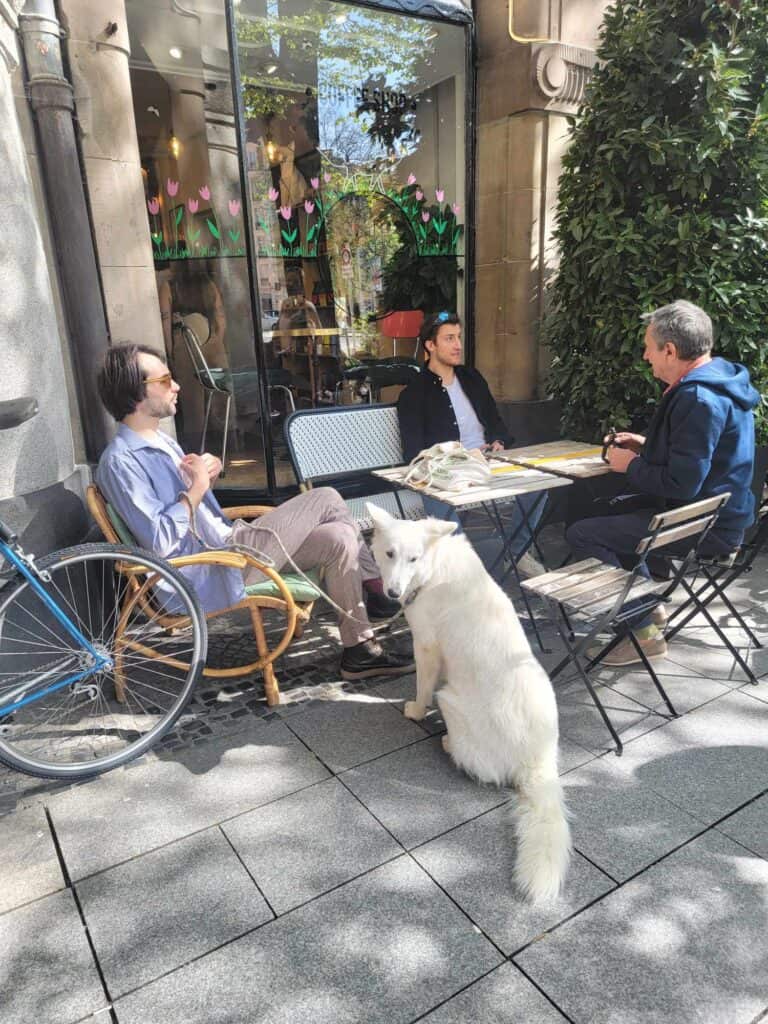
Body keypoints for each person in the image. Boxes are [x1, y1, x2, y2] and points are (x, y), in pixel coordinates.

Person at [95, 343, 413, 682]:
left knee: (339, 537)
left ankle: (359, 649)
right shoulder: (120, 462)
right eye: (165, 379)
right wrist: (197, 488)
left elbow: (190, 513)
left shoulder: (160, 441)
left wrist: (206, 478)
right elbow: (159, 542)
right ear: (136, 391)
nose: (177, 386)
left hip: (227, 546)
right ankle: (377, 587)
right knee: (327, 497)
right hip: (208, 569)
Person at [567, 299, 759, 666]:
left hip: (708, 525)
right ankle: (648, 609)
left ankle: (642, 632)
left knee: (585, 533)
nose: (645, 356)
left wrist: (630, 465)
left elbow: (680, 484)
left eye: (648, 347)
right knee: (612, 517)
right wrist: (646, 445)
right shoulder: (720, 381)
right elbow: (705, 456)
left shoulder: (698, 397)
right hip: (720, 515)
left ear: (670, 350)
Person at [397, 311, 547, 575]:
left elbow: (495, 421)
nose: (457, 345)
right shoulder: (414, 393)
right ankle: (461, 570)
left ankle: (516, 551)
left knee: (542, 483)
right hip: (445, 471)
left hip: (489, 461)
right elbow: (413, 453)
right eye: (449, 338)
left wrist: (498, 441)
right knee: (437, 497)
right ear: (430, 345)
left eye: (458, 337)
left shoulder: (471, 378)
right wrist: (455, 457)